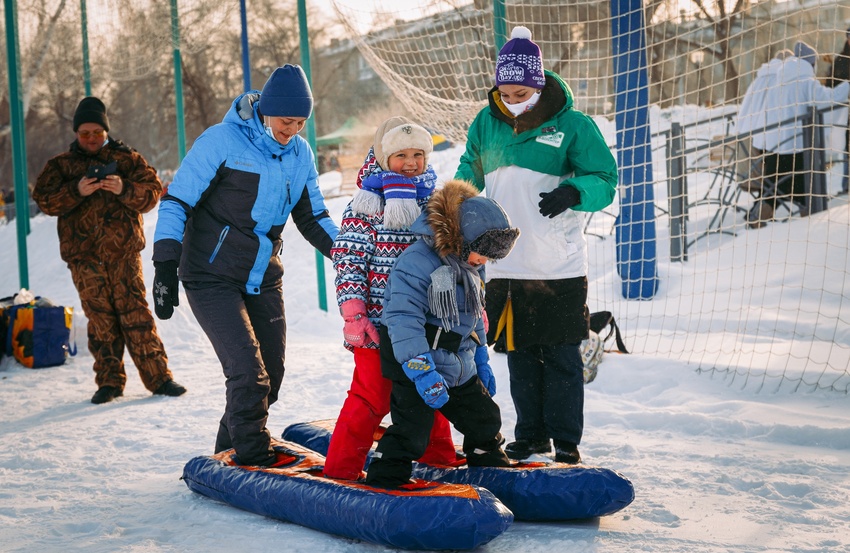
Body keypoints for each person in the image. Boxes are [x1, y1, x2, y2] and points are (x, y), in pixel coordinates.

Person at [151, 65, 339, 467]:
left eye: (301, 122)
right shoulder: (222, 141)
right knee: (247, 373)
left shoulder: (300, 154)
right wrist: (165, 263)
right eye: (286, 120)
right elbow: (177, 200)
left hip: (262, 275)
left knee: (270, 374)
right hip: (209, 274)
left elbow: (314, 217)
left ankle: (225, 453)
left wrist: (350, 255)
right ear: (266, 111)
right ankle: (253, 455)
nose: (293, 129)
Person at [454, 26, 618, 464]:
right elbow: (468, 173)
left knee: (562, 355)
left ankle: (566, 439)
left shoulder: (572, 125)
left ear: (538, 83)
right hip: (504, 264)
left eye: (520, 90)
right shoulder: (486, 122)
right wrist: (458, 212)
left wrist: (574, 192)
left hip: (557, 264)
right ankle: (530, 435)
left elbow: (606, 179)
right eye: (504, 91)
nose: (510, 97)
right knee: (520, 356)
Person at [323, 116, 458, 480]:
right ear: (384, 156)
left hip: (424, 321)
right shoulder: (366, 205)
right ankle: (342, 470)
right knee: (372, 397)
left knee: (431, 386)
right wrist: (355, 315)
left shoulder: (436, 203)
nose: (411, 162)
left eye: (419, 154)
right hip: (378, 324)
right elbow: (348, 262)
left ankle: (439, 460)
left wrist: (465, 308)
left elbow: (451, 259)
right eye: (401, 154)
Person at [364, 180, 520, 489]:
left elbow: (473, 316)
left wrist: (481, 358)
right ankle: (386, 478)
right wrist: (422, 373)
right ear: (461, 239)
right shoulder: (417, 263)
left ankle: (488, 464)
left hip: (455, 361)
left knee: (484, 418)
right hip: (413, 361)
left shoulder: (471, 265)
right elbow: (402, 321)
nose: (484, 262)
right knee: (413, 431)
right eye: (481, 253)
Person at [32, 96, 186, 404]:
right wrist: (76, 190)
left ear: (106, 131)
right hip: (84, 259)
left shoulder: (127, 159)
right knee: (100, 319)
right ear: (77, 133)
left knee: (136, 314)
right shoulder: (61, 166)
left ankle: (160, 379)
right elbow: (44, 200)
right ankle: (109, 382)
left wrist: (123, 188)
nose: (91, 139)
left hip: (123, 255)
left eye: (97, 133)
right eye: (85, 133)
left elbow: (152, 194)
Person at [737, 42, 850, 227]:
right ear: (809, 64)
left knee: (774, 189)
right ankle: (812, 225)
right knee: (805, 189)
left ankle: (758, 219)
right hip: (795, 147)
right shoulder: (805, 82)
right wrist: (846, 86)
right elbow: (827, 99)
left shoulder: (778, 80)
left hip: (773, 147)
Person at [826, 28, 850, 194]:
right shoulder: (841, 60)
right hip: (846, 112)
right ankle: (846, 185)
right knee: (848, 148)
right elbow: (830, 86)